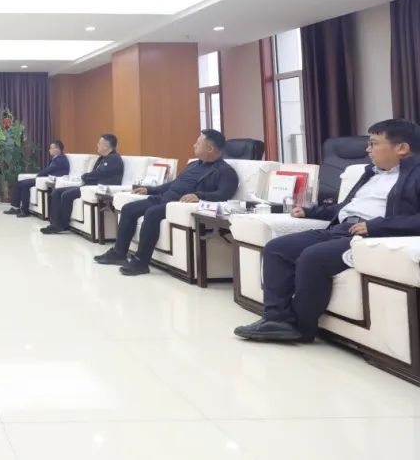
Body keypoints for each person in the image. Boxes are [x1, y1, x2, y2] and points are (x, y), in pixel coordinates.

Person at [235, 119, 420, 343]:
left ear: (401, 148)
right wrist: (310, 212)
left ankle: (302, 328)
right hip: (341, 229)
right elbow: (346, 207)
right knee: (277, 248)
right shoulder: (371, 173)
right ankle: (276, 320)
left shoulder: (415, 174)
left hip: (371, 236)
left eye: (373, 143)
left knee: (313, 257)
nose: (367, 150)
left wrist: (375, 226)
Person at [94, 129, 239, 276]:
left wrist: (199, 195)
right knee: (128, 209)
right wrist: (150, 190)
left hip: (178, 204)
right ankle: (119, 254)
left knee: (152, 213)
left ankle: (140, 262)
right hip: (163, 198)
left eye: (199, 143)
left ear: (210, 148)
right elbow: (174, 184)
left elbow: (224, 194)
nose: (194, 145)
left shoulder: (225, 171)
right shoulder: (193, 165)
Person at [41, 133, 124, 234]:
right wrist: (86, 177)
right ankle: (54, 223)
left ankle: (62, 225)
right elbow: (95, 173)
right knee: (57, 192)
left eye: (99, 143)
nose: (97, 145)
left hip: (97, 188)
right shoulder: (102, 158)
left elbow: (99, 174)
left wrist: (85, 176)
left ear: (106, 146)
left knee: (66, 195)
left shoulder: (114, 159)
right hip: (88, 186)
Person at [5, 140, 69, 218]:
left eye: (51, 148)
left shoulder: (61, 159)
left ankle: (25, 211)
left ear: (58, 149)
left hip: (50, 180)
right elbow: (48, 170)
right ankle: (16, 208)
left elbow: (49, 170)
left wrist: (39, 175)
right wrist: (39, 175)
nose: (49, 150)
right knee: (19, 183)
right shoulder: (57, 158)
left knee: (24, 184)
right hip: (45, 178)